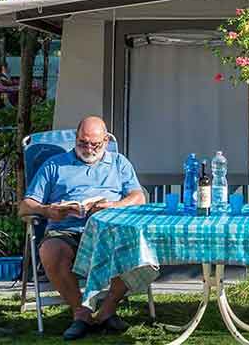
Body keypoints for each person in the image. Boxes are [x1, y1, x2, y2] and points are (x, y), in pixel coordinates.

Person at [18, 116, 154, 340]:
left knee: (139, 251)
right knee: (50, 251)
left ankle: (107, 310)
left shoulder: (119, 163)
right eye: (82, 143)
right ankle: (81, 313)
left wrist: (114, 206)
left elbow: (138, 197)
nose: (88, 148)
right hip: (67, 230)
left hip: (108, 230)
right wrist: (47, 210)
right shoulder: (54, 165)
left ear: (106, 141)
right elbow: (25, 206)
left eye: (95, 144)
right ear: (76, 138)